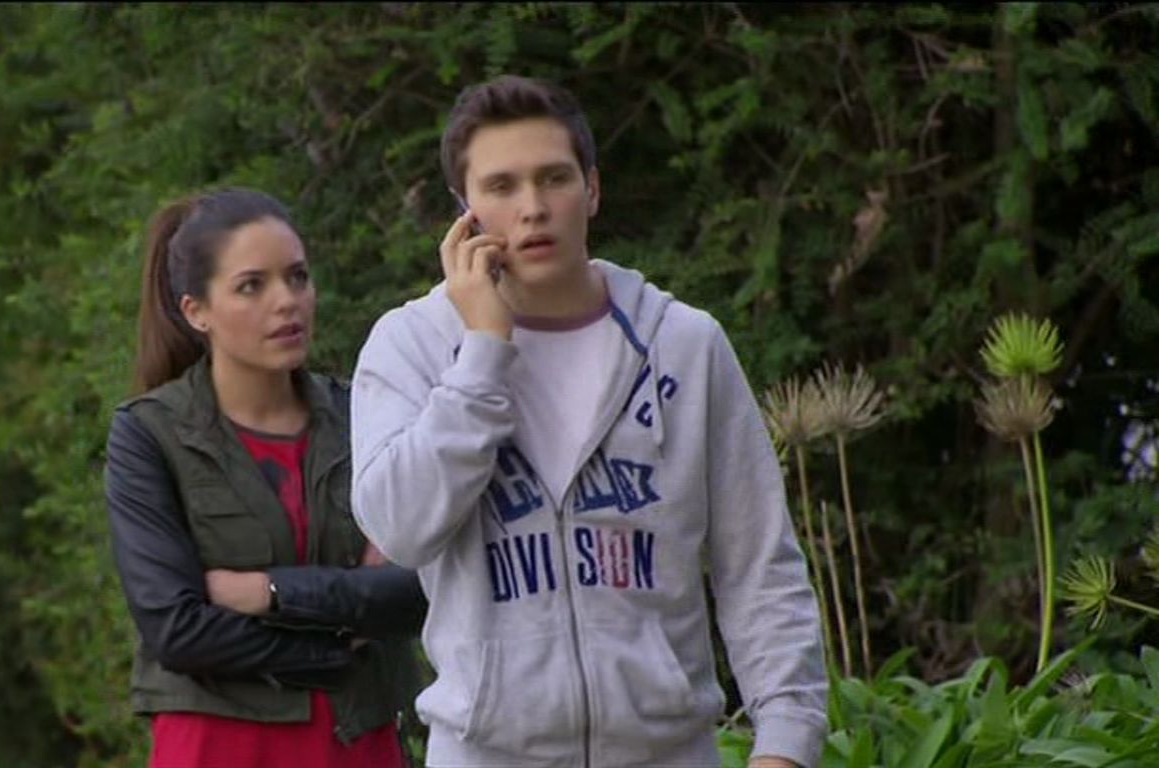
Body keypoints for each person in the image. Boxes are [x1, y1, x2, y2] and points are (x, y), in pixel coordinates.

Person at [349, 76, 828, 768]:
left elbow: (758, 566)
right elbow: (399, 528)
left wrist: (784, 744)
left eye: (554, 178)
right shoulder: (411, 346)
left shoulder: (683, 344)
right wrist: (481, 352)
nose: (533, 208)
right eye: (502, 186)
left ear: (592, 189)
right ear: (464, 213)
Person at [104, 187, 426, 768]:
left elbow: (422, 588)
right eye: (252, 286)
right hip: (218, 746)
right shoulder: (150, 436)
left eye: (298, 278)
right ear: (196, 311)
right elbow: (176, 630)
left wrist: (267, 592)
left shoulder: (364, 416)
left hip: (357, 741)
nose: (287, 302)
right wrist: (341, 636)